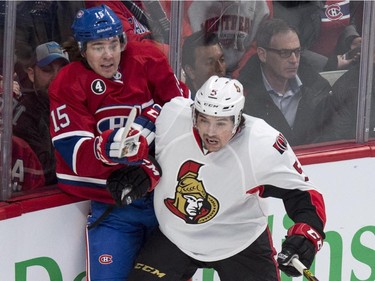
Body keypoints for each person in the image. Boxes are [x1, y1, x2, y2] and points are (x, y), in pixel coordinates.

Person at [127, 75, 326, 281]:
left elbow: (304, 194)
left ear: (238, 118)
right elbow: (142, 153)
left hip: (240, 243)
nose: (210, 132)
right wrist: (139, 169)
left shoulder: (262, 144)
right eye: (203, 120)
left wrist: (306, 237)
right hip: (176, 237)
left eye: (221, 123)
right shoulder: (173, 117)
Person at [48, 4, 188, 281]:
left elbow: (183, 119)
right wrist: (107, 148)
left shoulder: (147, 60)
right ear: (82, 48)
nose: (109, 55)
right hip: (115, 211)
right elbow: (76, 155)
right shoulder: (68, 82)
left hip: (166, 204)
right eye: (98, 46)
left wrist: (152, 125)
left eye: (114, 43)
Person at [237, 18, 336, 146]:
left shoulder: (318, 89)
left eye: (297, 51)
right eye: (284, 53)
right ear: (262, 54)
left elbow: (330, 138)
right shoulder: (241, 96)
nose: (294, 60)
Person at [13, 41, 69, 186]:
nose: (57, 77)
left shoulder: (76, 105)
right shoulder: (26, 114)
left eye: (63, 70)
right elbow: (47, 172)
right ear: (31, 74)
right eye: (47, 70)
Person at [182, 30, 226, 99]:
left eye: (222, 60)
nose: (220, 69)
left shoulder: (233, 99)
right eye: (210, 63)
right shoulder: (184, 107)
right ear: (190, 71)